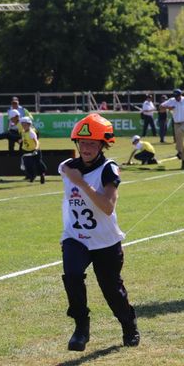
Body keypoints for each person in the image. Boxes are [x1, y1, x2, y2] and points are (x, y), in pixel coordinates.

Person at [59, 113, 139, 351]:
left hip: (105, 241)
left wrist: (81, 183)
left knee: (112, 291)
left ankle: (129, 324)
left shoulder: (108, 169)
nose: (86, 148)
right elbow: (64, 168)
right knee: (72, 275)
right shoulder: (66, 168)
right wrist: (75, 176)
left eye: (93, 143)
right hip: (75, 237)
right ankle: (81, 326)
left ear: (103, 145)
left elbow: (107, 206)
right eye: (83, 143)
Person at [19, 117, 46, 183]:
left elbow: (36, 142)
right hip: (26, 151)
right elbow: (24, 138)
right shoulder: (23, 131)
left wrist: (36, 149)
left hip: (34, 150)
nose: (23, 126)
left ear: (29, 124)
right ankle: (32, 176)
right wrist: (21, 140)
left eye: (25, 124)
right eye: (22, 124)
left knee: (38, 164)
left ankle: (42, 174)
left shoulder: (31, 133)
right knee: (27, 165)